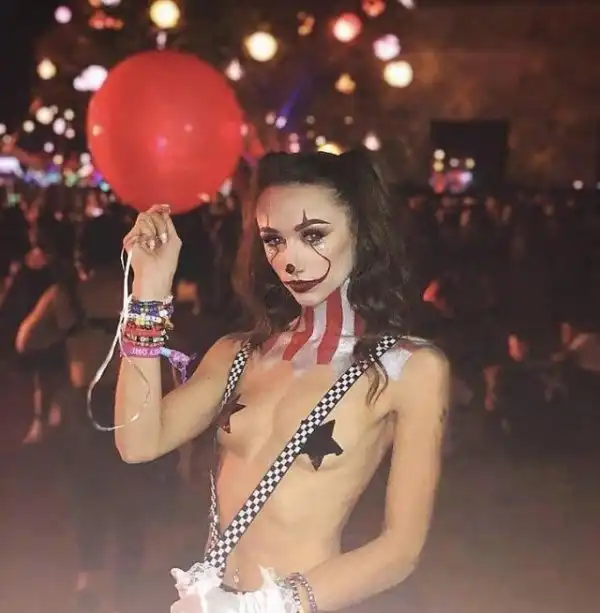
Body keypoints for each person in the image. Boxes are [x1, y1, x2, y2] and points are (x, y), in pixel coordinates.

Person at [116, 150, 449, 612]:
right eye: (273, 239)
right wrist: (148, 292)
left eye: (313, 235)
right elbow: (138, 442)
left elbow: (400, 550)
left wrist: (263, 606)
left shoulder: (407, 368)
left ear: (361, 232)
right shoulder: (237, 354)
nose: (289, 260)